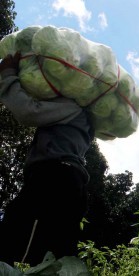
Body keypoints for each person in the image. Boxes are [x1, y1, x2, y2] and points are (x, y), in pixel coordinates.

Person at [0, 52, 94, 266]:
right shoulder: (86, 118)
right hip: (69, 181)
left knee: (13, 236)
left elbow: (28, 112)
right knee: (55, 253)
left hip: (54, 178)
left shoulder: (72, 108)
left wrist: (7, 75)